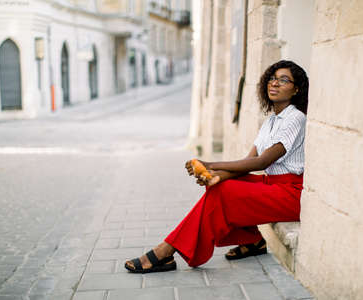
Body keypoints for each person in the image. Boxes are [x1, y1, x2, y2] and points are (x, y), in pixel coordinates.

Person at [125, 60, 309, 273]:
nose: (274, 83)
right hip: (273, 186)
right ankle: (252, 241)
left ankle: (166, 250)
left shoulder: (296, 118)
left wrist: (210, 164)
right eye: (272, 78)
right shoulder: (271, 121)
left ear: (296, 89)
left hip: (291, 194)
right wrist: (217, 175)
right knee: (224, 184)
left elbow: (262, 162)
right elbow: (247, 162)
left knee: (226, 191)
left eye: (284, 80)